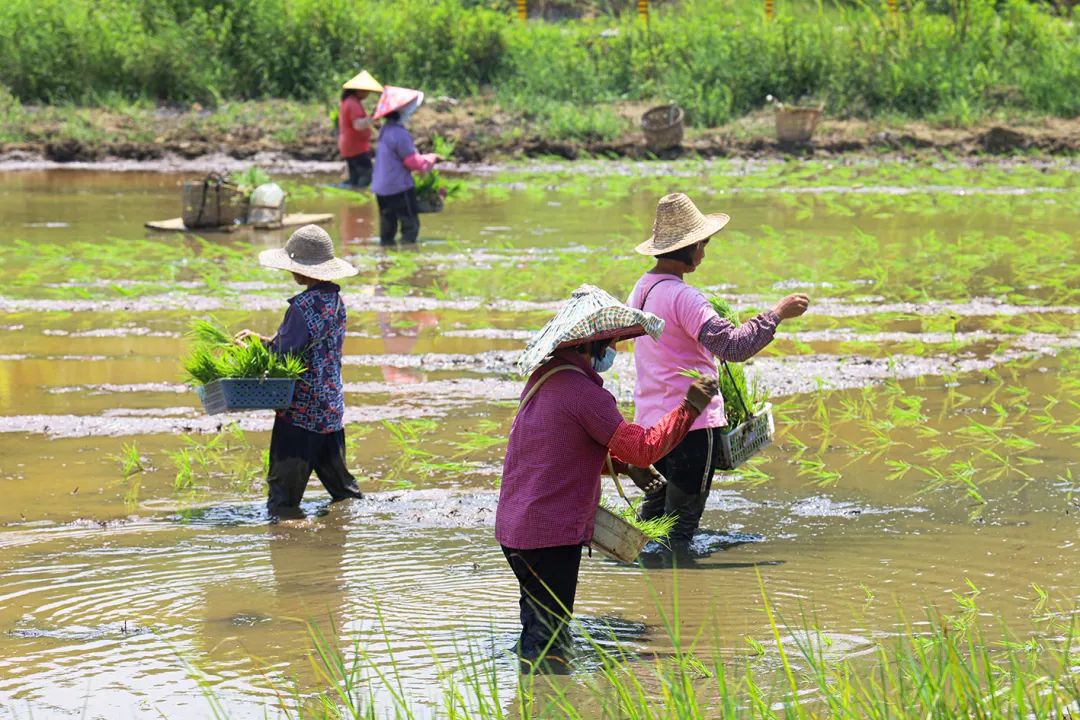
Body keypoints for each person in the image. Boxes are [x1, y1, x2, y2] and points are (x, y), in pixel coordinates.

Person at [496, 284, 719, 673]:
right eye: (611, 343)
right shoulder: (584, 394)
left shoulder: (544, 379)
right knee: (547, 643)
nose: (613, 350)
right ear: (591, 346)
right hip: (549, 537)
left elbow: (557, 452)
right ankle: (545, 700)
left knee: (540, 627)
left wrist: (618, 465)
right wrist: (690, 408)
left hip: (518, 531)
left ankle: (533, 694)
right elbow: (645, 447)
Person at [627, 193, 810, 553]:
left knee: (651, 524)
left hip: (651, 426)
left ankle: (643, 584)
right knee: (680, 531)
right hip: (691, 426)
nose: (704, 253)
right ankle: (675, 597)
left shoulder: (641, 289)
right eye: (703, 245)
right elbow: (733, 347)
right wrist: (776, 313)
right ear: (689, 247)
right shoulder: (685, 297)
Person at [236, 224, 364, 520]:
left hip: (301, 413)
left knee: (282, 501)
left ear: (306, 271)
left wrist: (251, 352)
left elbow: (285, 355)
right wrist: (262, 340)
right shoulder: (335, 301)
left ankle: (291, 545)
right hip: (330, 409)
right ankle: (348, 534)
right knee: (344, 493)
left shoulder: (302, 306)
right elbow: (310, 346)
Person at [370, 86, 439, 246]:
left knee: (387, 227)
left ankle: (386, 257)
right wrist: (431, 159)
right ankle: (409, 252)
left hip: (381, 188)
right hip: (399, 188)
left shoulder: (385, 130)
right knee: (410, 224)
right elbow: (412, 162)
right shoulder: (400, 133)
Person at [337, 70, 383, 189]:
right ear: (359, 90)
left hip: (349, 146)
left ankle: (352, 200)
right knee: (366, 175)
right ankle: (359, 195)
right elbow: (357, 125)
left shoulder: (348, 102)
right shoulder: (352, 104)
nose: (367, 94)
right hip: (355, 148)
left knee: (354, 178)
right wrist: (372, 118)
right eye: (366, 91)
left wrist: (371, 120)